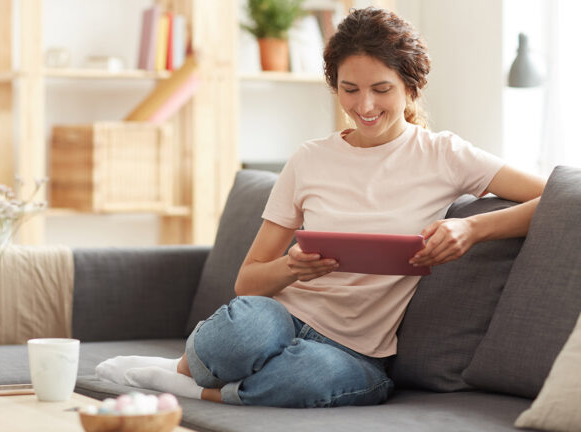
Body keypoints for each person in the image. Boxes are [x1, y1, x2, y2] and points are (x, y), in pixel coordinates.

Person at [95, 7, 546, 408]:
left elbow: (558, 197)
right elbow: (248, 280)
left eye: (381, 89)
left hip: (355, 352)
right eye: (349, 89)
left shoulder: (445, 155)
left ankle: (195, 387)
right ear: (335, 86)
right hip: (283, 317)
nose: (364, 106)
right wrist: (293, 268)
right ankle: (188, 369)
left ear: (412, 87)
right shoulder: (310, 159)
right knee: (247, 327)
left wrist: (473, 230)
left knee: (311, 375)